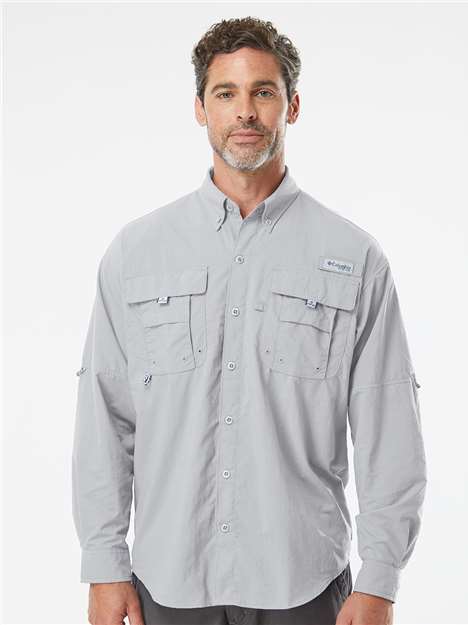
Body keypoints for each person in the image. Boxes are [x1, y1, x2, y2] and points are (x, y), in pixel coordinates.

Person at [71, 16, 427, 625]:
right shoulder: (136, 254)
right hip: (168, 583)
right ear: (200, 108)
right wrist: (104, 564)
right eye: (225, 93)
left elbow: (388, 427)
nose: (245, 112)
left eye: (263, 91)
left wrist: (382, 579)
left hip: (304, 584)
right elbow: (105, 417)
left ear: (293, 105)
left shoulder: (355, 258)